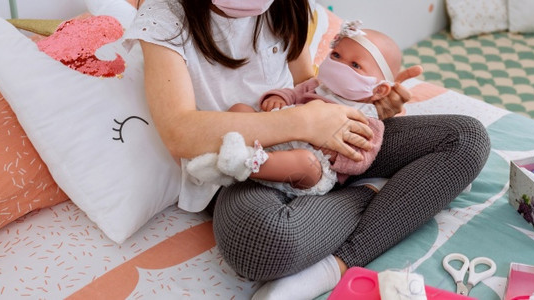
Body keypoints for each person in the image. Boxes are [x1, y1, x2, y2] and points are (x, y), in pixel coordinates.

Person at [127, 0, 490, 299]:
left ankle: (338, 262)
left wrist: (370, 102)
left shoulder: (285, 5)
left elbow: (306, 81)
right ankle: (375, 192)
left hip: (323, 137)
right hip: (244, 167)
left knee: (466, 138)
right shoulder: (165, 17)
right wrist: (301, 122)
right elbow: (179, 133)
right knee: (259, 244)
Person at [184, 21, 398, 198]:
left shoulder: (367, 118)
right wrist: (277, 98)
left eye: (355, 65)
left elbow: (361, 158)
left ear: (379, 90)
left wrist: (332, 152)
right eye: (336, 56)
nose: (340, 65)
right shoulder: (316, 86)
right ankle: (228, 158)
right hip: (275, 136)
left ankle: (242, 163)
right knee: (240, 109)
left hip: (309, 166)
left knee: (306, 163)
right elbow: (293, 93)